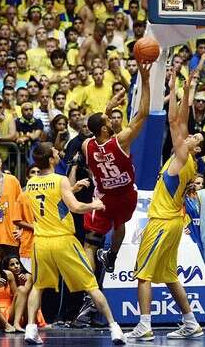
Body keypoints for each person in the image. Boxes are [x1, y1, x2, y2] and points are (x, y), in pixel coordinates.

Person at [126, 69, 205, 341]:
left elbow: (176, 122)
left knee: (143, 275)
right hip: (172, 223)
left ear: (197, 149)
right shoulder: (189, 160)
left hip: (162, 222)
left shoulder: (185, 158)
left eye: (195, 139)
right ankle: (190, 322)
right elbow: (179, 122)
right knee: (170, 276)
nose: (190, 137)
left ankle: (145, 324)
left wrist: (179, 88)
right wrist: (180, 87)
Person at [23, 142, 125, 345]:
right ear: (51, 159)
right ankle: (115, 328)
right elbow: (75, 207)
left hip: (41, 242)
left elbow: (51, 200)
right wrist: (94, 205)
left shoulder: (32, 183)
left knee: (38, 286)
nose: (58, 153)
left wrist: (73, 188)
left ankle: (30, 329)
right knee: (91, 284)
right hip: (63, 241)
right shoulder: (60, 179)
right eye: (55, 152)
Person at [81, 62, 152, 273]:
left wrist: (108, 109)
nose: (112, 120)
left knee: (90, 244)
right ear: (105, 128)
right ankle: (112, 255)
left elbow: (97, 128)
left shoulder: (87, 145)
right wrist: (146, 81)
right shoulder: (121, 141)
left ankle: (89, 285)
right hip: (126, 195)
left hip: (104, 198)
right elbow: (144, 112)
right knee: (119, 225)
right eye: (108, 119)